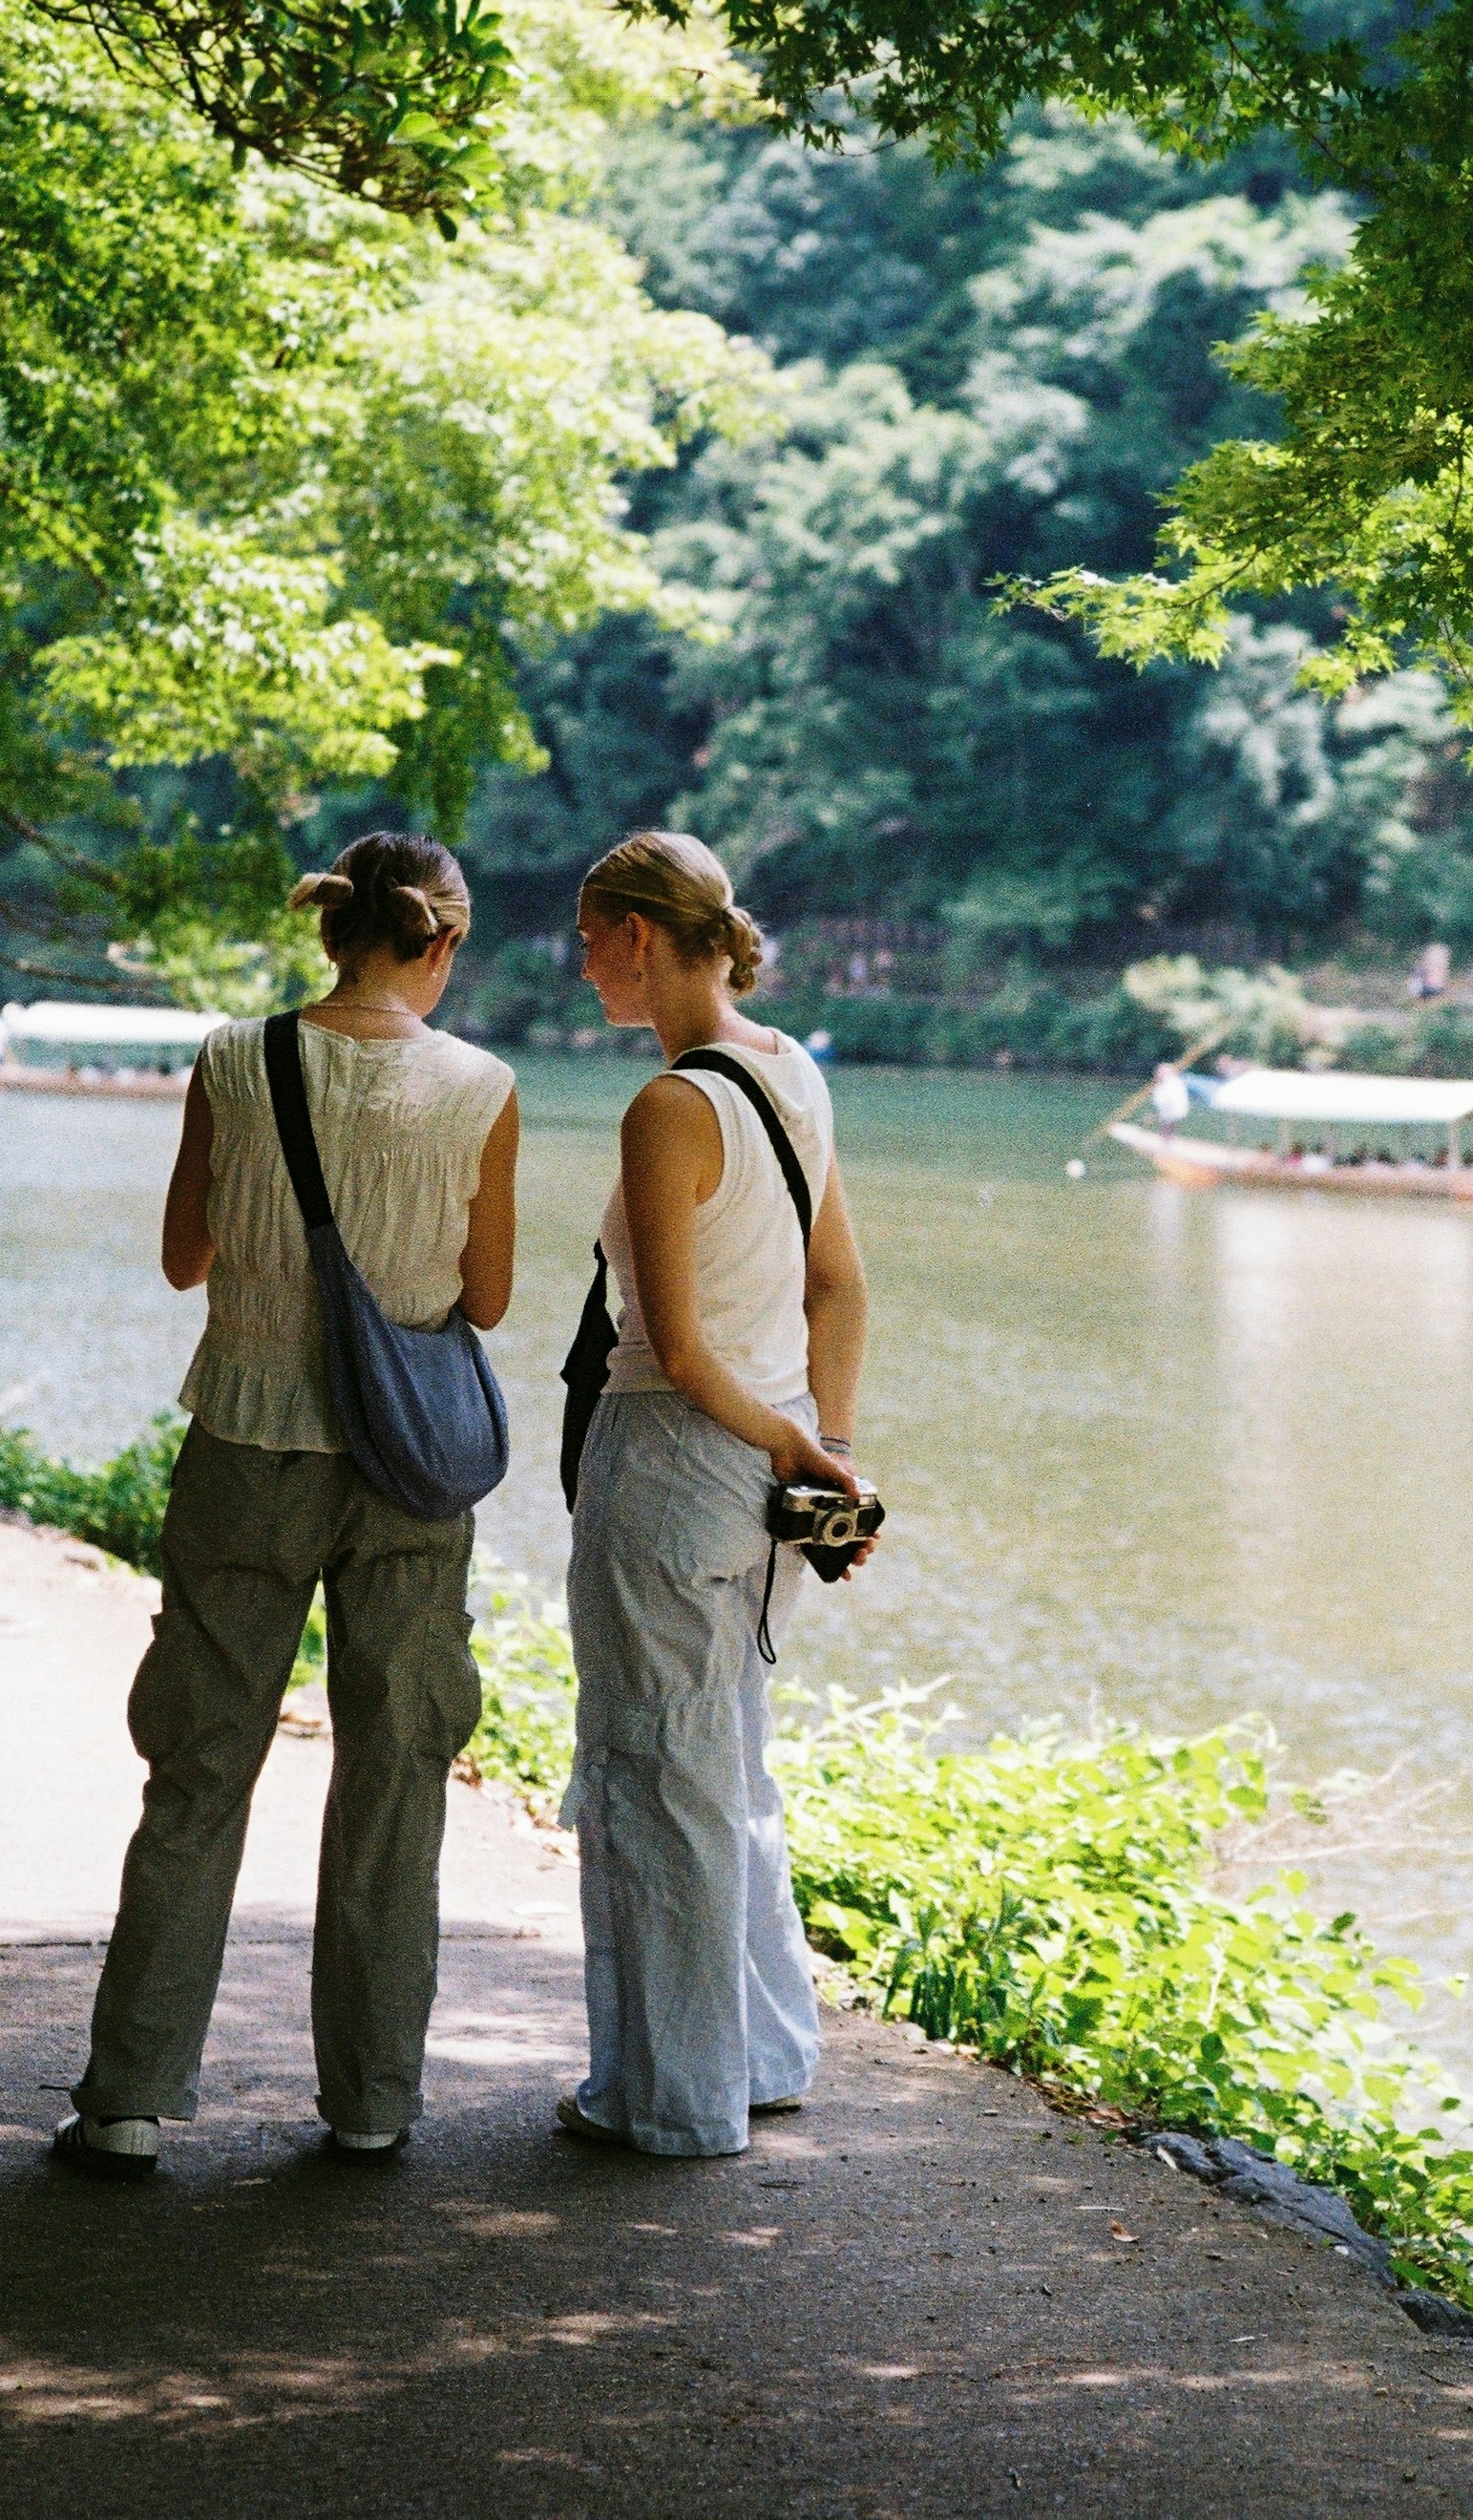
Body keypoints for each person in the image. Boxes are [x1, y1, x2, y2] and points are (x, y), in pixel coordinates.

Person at [52, 832, 522, 2178]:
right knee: (393, 1778)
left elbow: (179, 1256)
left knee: (198, 1768)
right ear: (442, 947)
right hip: (407, 1472)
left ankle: (131, 2098)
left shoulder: (231, 1059)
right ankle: (371, 2102)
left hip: (246, 1447)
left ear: (331, 936)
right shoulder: (483, 1086)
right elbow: (483, 1301)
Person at [556, 830, 873, 2157]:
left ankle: (670, 2101)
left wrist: (795, 1452)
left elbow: (677, 1351)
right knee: (724, 1760)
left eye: (588, 940)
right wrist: (819, 1449)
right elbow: (838, 1288)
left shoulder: (669, 1107)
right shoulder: (791, 1070)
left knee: (650, 1775)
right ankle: (760, 2054)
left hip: (677, 1466)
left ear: (638, 937)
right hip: (769, 1471)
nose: (579, 967)